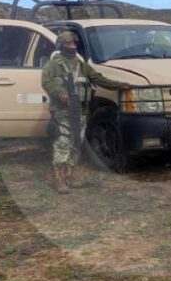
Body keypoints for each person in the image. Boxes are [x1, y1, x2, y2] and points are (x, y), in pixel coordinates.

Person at [41, 31, 131, 194]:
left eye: (74, 44)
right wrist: (62, 94)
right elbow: (47, 83)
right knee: (62, 143)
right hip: (63, 111)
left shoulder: (82, 66)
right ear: (61, 46)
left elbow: (99, 79)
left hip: (81, 111)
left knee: (76, 143)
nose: (72, 46)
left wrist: (121, 85)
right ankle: (60, 179)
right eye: (68, 44)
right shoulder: (53, 65)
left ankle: (70, 176)